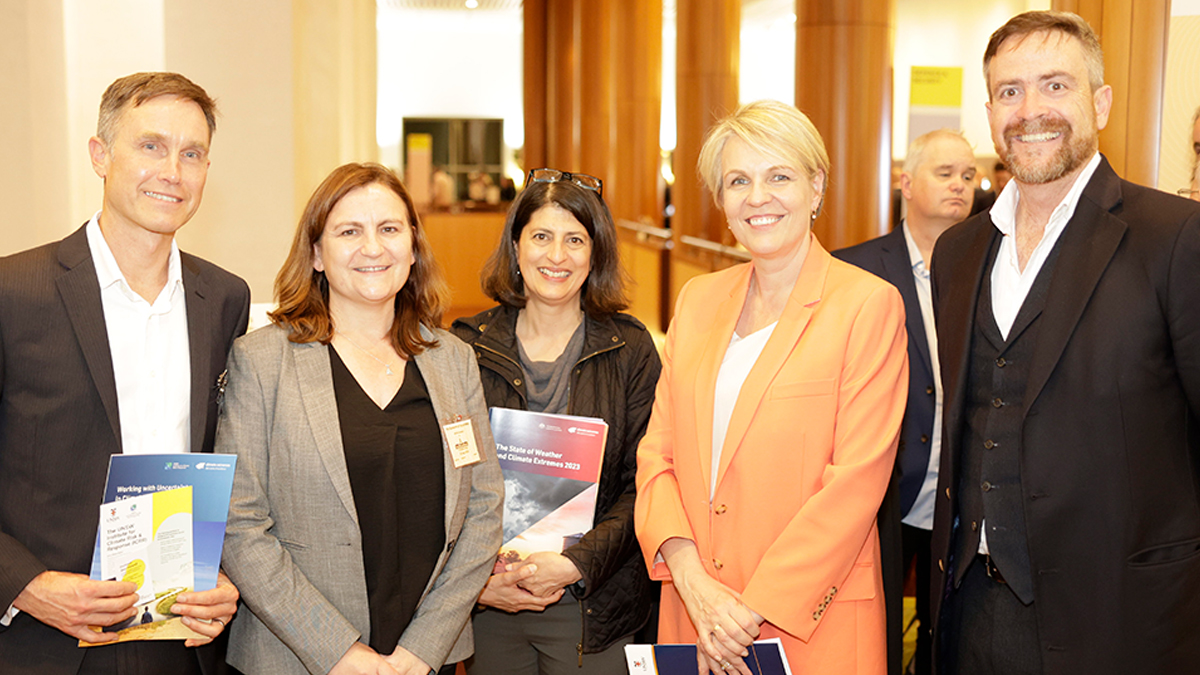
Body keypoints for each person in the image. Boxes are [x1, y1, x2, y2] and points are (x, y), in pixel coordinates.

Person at [929, 11, 1200, 674]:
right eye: (1011, 91)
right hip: (968, 612)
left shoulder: (1175, 237)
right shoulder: (958, 252)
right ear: (990, 110)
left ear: (1099, 102)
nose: (1031, 110)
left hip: (1118, 622)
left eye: (1055, 85)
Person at [635, 100, 909, 675]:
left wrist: (745, 613)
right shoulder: (697, 299)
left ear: (815, 188)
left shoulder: (866, 305)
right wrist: (689, 577)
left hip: (805, 622)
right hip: (695, 613)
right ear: (721, 202)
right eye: (738, 180)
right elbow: (657, 455)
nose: (757, 197)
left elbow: (856, 483)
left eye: (778, 176)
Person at [0, 72, 247, 674]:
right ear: (100, 155)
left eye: (192, 154)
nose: (173, 171)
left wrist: (230, 579)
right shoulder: (13, 292)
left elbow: (237, 463)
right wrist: (23, 585)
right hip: (45, 642)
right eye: (151, 146)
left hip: (184, 637)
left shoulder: (225, 300)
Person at [216, 163, 503, 675]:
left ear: (413, 248)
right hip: (298, 659)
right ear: (317, 254)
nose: (373, 248)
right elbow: (240, 524)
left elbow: (483, 507)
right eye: (350, 231)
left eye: (389, 229)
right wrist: (341, 654)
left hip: (426, 659)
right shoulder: (262, 361)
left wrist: (422, 650)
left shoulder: (452, 359)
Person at [453, 169, 662, 674]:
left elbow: (647, 483)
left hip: (594, 606)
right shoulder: (466, 347)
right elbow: (446, 479)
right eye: (541, 237)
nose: (556, 256)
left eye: (575, 240)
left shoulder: (631, 350)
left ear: (596, 254)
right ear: (516, 247)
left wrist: (574, 565)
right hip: (491, 600)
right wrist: (480, 581)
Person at [835, 129, 976, 675]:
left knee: (952, 634)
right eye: (945, 174)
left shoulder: (989, 265)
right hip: (886, 487)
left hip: (959, 487)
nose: (960, 186)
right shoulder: (858, 269)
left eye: (968, 176)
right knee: (878, 632)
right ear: (907, 182)